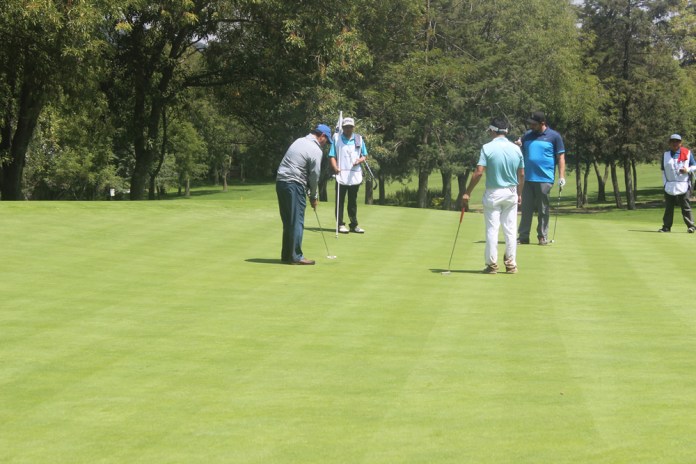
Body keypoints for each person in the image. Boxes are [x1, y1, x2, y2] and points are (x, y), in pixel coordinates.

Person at [462, 118, 525, 274]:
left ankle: (492, 265)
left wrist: (467, 192)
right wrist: (519, 193)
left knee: (492, 229)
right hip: (511, 192)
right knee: (510, 230)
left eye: (489, 131)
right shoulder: (516, 149)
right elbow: (522, 174)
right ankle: (511, 264)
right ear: (506, 132)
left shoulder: (487, 147)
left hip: (493, 193)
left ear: (493, 131)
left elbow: (478, 172)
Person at [276, 124, 333, 265]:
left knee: (289, 220)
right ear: (322, 136)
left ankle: (287, 255)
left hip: (281, 182)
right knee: (297, 221)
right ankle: (296, 256)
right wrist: (314, 196)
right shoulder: (315, 150)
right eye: (327, 140)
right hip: (293, 184)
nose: (326, 144)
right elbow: (314, 176)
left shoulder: (299, 140)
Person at [517, 111, 566, 246]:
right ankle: (523, 236)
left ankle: (542, 236)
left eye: (533, 124)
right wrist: (518, 146)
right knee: (526, 209)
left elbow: (560, 157)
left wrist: (561, 176)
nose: (531, 126)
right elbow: (520, 152)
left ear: (542, 123)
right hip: (527, 178)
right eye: (530, 123)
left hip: (545, 178)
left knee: (543, 209)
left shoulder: (554, 136)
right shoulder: (527, 136)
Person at [329, 117, 368, 234]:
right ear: (343, 128)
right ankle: (340, 224)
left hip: (354, 175)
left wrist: (359, 161)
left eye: (350, 127)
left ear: (353, 127)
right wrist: (335, 168)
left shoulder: (358, 139)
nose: (348, 129)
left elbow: (365, 155)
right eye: (346, 127)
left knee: (352, 201)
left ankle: (354, 224)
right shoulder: (337, 139)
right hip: (341, 175)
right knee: (339, 201)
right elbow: (332, 156)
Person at [659, 134, 696, 233]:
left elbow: (694, 166)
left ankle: (691, 226)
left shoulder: (687, 153)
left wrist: (687, 169)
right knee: (668, 207)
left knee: (685, 207)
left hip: (683, 184)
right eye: (673, 141)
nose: (675, 143)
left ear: (681, 143)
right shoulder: (665, 155)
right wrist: (665, 183)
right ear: (669, 143)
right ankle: (666, 227)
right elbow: (663, 170)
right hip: (669, 184)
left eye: (677, 141)